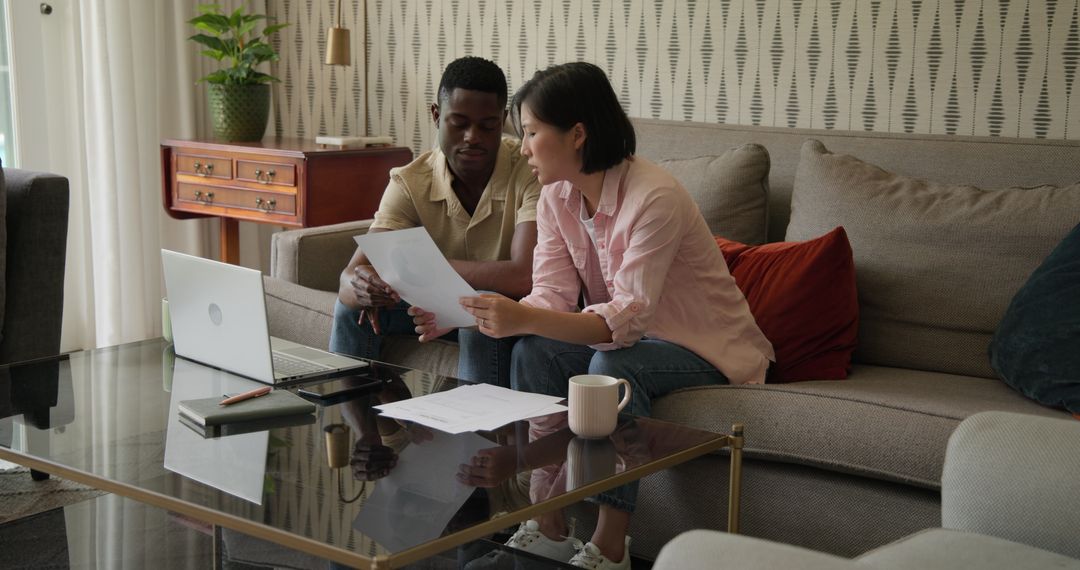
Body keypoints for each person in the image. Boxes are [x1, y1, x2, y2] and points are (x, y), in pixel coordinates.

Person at [425, 62, 775, 569]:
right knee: (534, 351)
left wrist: (520, 317)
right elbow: (550, 296)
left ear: (577, 134)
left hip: (706, 347)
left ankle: (612, 547)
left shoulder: (653, 196)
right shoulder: (556, 197)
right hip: (635, 338)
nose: (521, 147)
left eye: (530, 132)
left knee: (611, 372)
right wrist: (471, 313)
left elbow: (625, 319)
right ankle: (549, 521)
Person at [331, 56, 540, 385]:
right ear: (436, 115)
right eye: (459, 123)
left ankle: (479, 431)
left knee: (481, 307)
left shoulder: (529, 170)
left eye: (487, 125)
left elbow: (523, 276)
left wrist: (424, 266)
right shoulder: (410, 181)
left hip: (506, 312)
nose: (472, 136)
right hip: (433, 308)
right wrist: (363, 287)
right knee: (351, 312)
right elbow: (348, 280)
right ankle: (359, 431)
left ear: (502, 120)